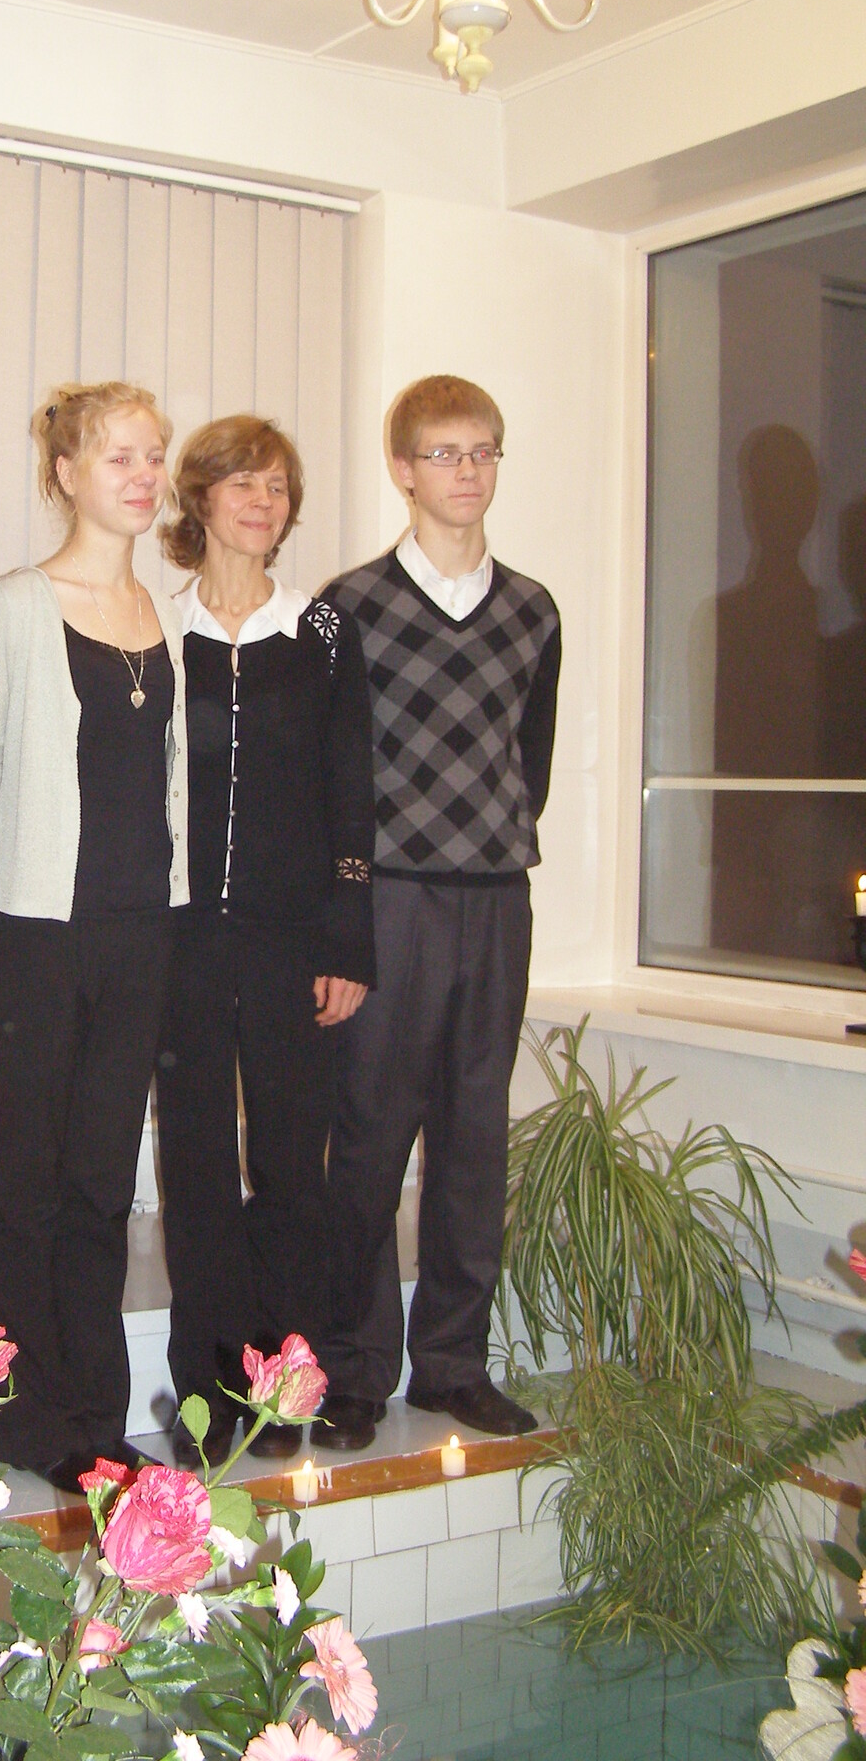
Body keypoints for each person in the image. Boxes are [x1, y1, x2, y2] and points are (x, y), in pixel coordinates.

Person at [312, 374, 560, 1453]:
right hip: (391, 900)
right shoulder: (349, 606)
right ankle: (354, 1367)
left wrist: (486, 845)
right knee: (368, 1139)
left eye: (483, 451)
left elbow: (530, 760)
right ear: (403, 468)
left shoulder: (534, 610)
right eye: (445, 453)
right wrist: (346, 913)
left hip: (496, 900)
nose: (468, 472)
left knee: (474, 1140)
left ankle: (454, 1363)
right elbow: (329, 774)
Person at [0, 381, 188, 1493]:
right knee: (29, 1182)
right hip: (36, 928)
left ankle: (97, 1417)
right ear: (65, 473)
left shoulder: (167, 615)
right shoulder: (12, 606)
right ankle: (23, 1421)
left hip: (142, 930)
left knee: (104, 1182)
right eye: (118, 457)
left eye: (154, 456)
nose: (144, 476)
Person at [153, 416, 375, 1468]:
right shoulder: (154, 624)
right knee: (196, 1170)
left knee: (292, 1167)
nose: (261, 501)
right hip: (182, 942)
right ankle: (208, 1396)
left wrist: (350, 941)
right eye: (241, 482)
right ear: (199, 498)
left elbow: (351, 789)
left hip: (297, 944)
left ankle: (290, 1385)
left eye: (278, 486)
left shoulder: (324, 632)